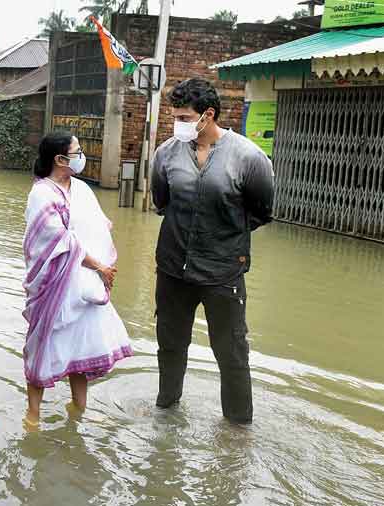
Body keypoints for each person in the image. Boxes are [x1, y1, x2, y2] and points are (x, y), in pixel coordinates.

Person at [151, 78, 275, 424]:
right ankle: (166, 413)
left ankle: (237, 428)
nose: (178, 124)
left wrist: (219, 237)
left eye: (185, 117)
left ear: (208, 115)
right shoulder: (166, 154)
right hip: (174, 267)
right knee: (170, 345)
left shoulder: (249, 157)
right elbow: (162, 202)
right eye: (175, 116)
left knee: (232, 351)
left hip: (224, 271)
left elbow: (262, 211)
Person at [22, 132, 134, 426]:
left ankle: (79, 409)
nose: (82, 156)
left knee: (80, 348)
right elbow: (58, 240)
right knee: (44, 346)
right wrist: (98, 266)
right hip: (55, 284)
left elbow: (98, 228)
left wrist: (103, 269)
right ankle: (32, 418)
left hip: (84, 286)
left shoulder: (81, 189)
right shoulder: (42, 194)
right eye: (77, 151)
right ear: (59, 159)